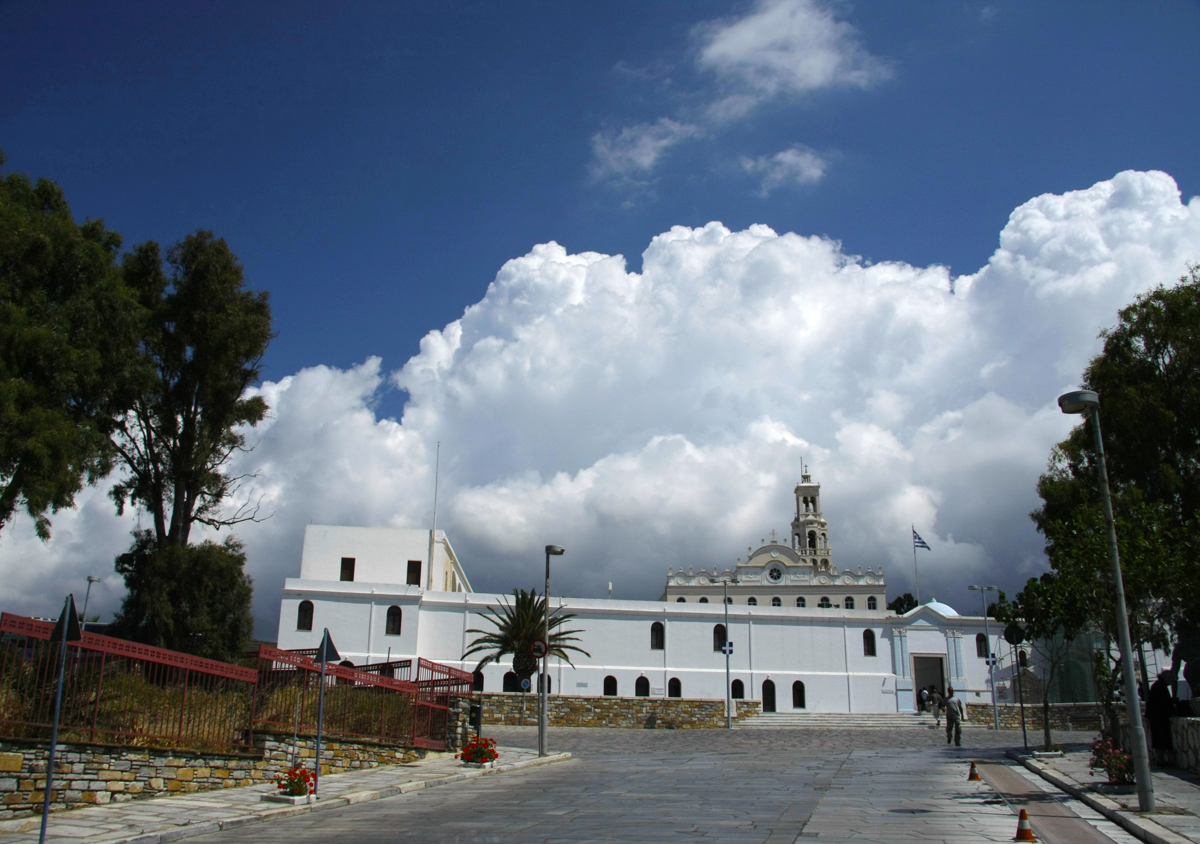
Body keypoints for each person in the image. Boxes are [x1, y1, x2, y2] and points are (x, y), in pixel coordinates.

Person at [1146, 670, 1175, 766]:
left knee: (1159, 740)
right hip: (1158, 718)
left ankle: (1161, 760)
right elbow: (1164, 702)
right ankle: (1161, 760)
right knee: (1161, 739)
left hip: (1156, 717)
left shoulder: (1158, 685)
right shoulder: (1160, 686)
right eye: (1170, 678)